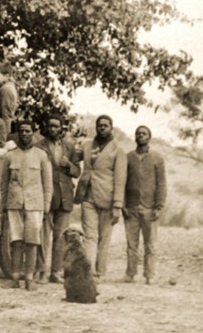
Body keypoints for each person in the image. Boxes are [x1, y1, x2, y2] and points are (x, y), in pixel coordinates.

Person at [0, 121, 53, 291]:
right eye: (21, 131)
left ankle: (29, 278)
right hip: (15, 203)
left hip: (35, 204)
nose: (24, 134)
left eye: (27, 131)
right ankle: (15, 277)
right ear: (17, 134)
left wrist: (46, 207)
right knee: (16, 240)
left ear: (33, 133)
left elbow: (47, 184)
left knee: (32, 241)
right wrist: (4, 204)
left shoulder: (41, 155)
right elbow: (4, 182)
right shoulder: (9, 156)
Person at [75, 115, 127, 282]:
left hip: (108, 198)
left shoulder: (118, 151)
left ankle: (100, 271)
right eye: (99, 125)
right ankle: (89, 271)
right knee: (90, 236)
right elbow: (73, 157)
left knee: (104, 237)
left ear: (111, 128)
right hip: (87, 196)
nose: (102, 128)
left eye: (105, 125)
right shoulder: (87, 146)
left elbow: (120, 179)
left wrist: (117, 205)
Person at [34, 115, 81, 284]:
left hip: (65, 198)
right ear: (46, 128)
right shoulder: (38, 147)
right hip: (46, 197)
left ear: (61, 129)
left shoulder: (69, 147)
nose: (53, 129)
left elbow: (77, 172)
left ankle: (55, 272)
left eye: (56, 126)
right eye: (50, 126)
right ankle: (40, 272)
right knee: (43, 237)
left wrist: (69, 165)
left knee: (60, 238)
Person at [123, 125, 167, 285]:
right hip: (131, 207)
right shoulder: (127, 158)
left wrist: (159, 206)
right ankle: (130, 273)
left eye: (144, 134)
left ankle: (150, 274)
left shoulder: (157, 158)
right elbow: (121, 182)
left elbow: (161, 184)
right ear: (135, 137)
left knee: (150, 244)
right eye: (138, 134)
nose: (140, 136)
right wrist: (123, 205)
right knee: (131, 244)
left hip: (149, 208)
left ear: (149, 137)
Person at [0, 63, 19, 135]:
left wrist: (5, 135)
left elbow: (6, 115)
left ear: (6, 76)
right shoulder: (6, 87)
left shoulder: (6, 89)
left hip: (0, 129)